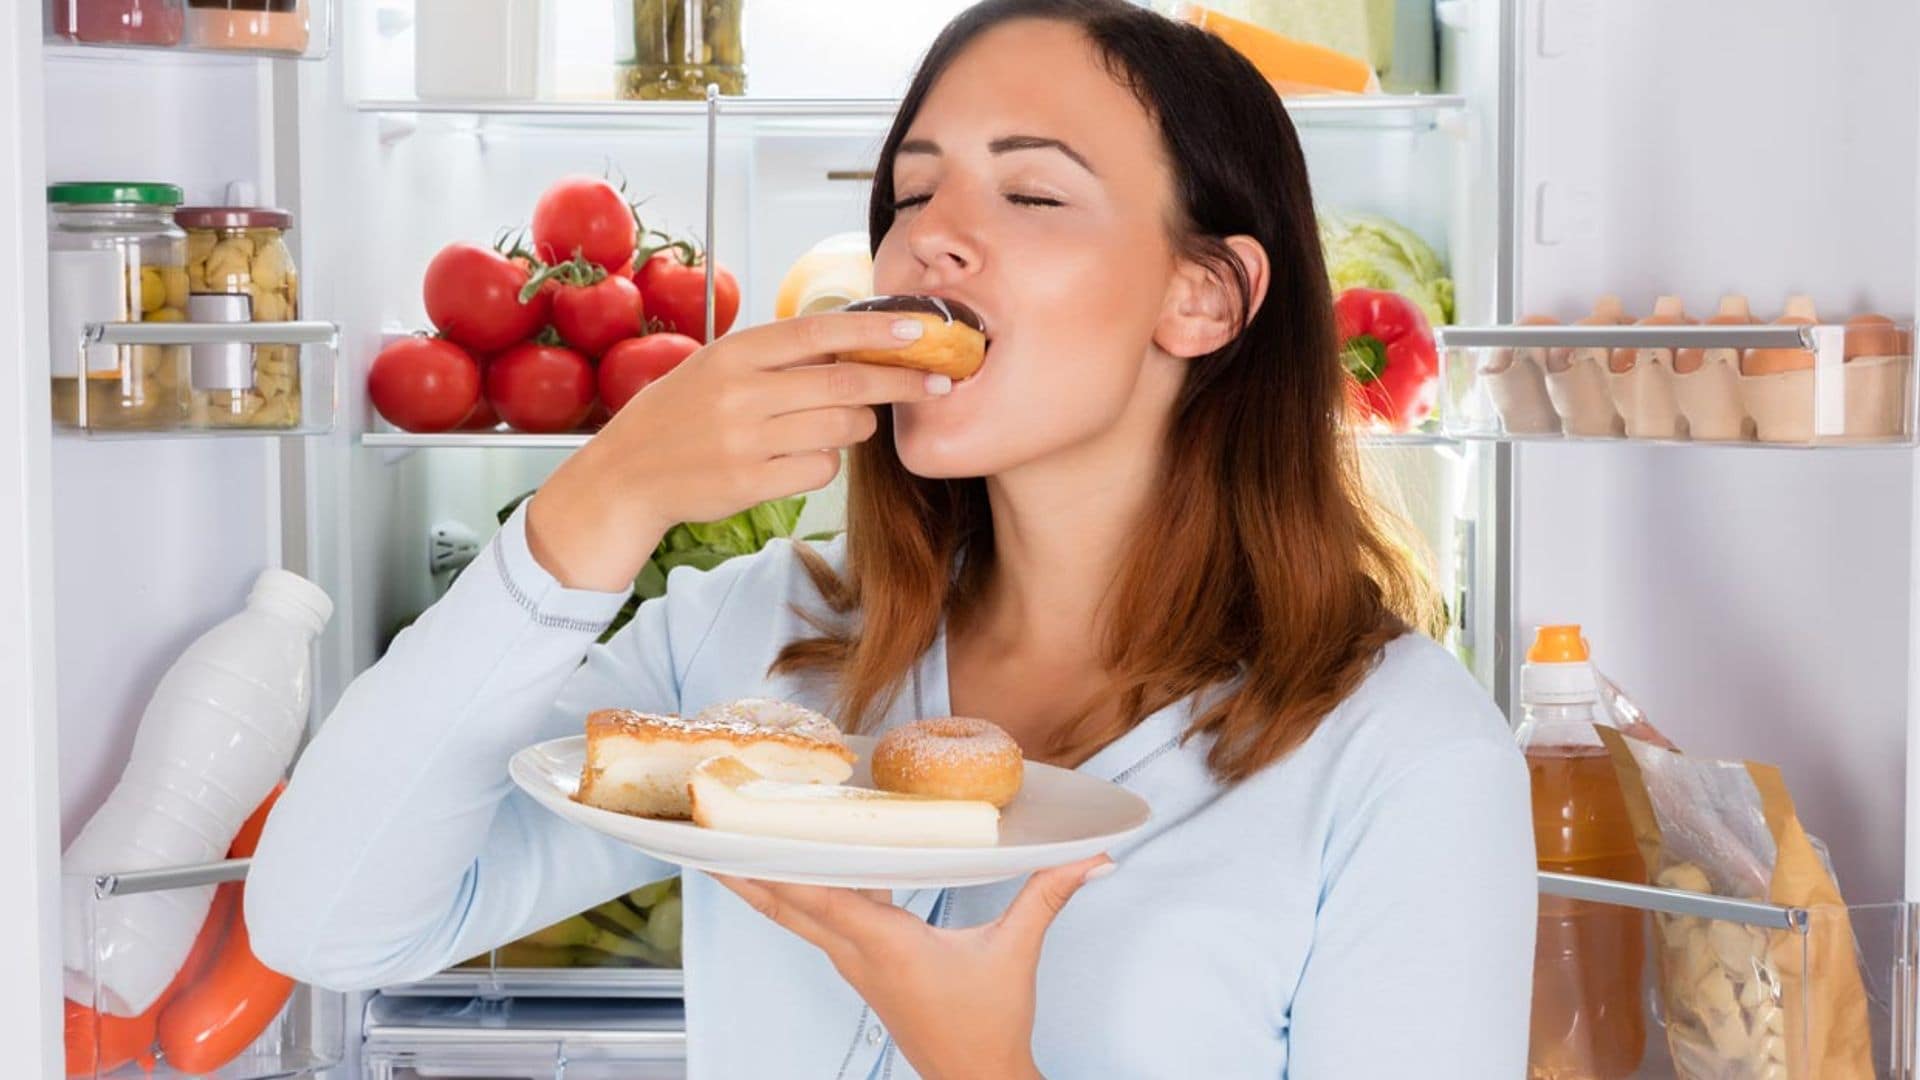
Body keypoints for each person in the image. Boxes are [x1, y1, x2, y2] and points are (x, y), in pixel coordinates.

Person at [248, 1, 1536, 1076]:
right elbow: (332, 921)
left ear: (1203, 296)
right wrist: (597, 503)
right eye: (912, 189)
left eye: (1032, 192)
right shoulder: (762, 640)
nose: (929, 235)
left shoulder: (1402, 760)